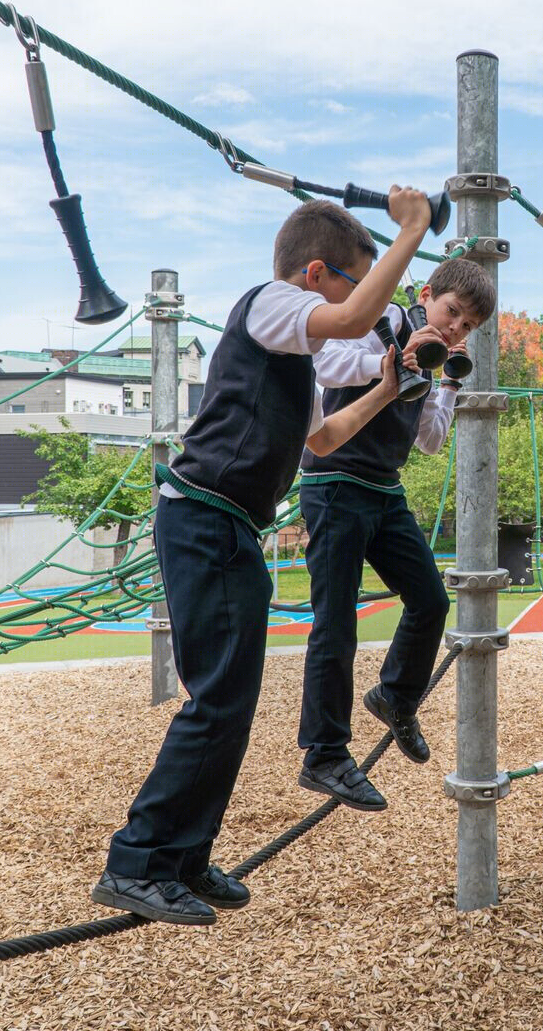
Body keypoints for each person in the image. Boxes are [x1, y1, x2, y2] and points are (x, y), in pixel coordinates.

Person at [91, 189, 434, 926]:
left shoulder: (294, 357)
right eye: (357, 283)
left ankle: (182, 856)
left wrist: (385, 390)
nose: (370, 313)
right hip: (204, 519)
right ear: (316, 275)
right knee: (216, 699)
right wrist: (412, 230)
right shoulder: (271, 303)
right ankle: (137, 862)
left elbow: (322, 440)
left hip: (228, 527)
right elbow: (349, 318)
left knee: (232, 702)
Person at [296, 257, 496, 811]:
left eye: (466, 326)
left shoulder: (434, 360)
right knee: (335, 620)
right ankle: (324, 754)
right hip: (335, 482)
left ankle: (395, 696)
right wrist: (393, 360)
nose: (455, 329)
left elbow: (429, 441)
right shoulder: (381, 320)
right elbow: (328, 367)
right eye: (452, 313)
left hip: (383, 488)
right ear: (427, 295)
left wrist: (448, 383)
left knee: (431, 600)